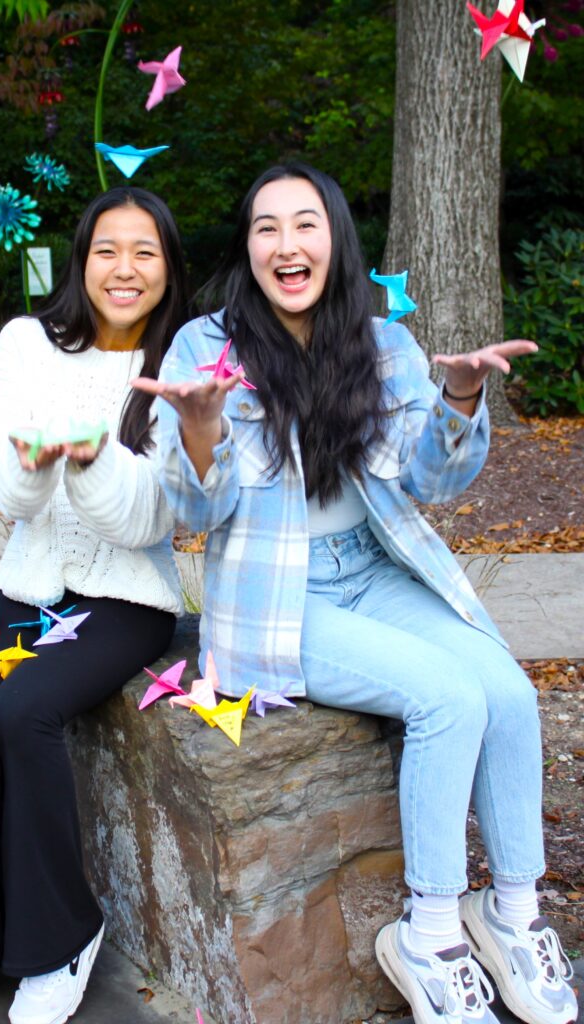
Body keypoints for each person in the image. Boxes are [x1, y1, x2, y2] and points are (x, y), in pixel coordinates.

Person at [133, 163, 578, 1024]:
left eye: (305, 224)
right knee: (447, 698)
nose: (286, 244)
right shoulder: (203, 348)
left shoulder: (385, 346)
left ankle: (515, 913)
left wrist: (460, 395)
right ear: (249, 246)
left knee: (510, 694)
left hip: (375, 571)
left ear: (336, 239)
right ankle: (433, 930)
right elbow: (194, 512)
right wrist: (198, 429)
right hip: (276, 597)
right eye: (267, 227)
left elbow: (432, 481)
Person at [0, 186, 190, 1024]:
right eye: (107, 249)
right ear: (81, 260)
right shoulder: (26, 343)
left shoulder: (182, 364)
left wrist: (90, 461)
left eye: (145, 252)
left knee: (26, 707)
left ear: (168, 269)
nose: (124, 268)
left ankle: (61, 937)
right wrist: (37, 465)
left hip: (125, 597)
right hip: (30, 587)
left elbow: (156, 517)